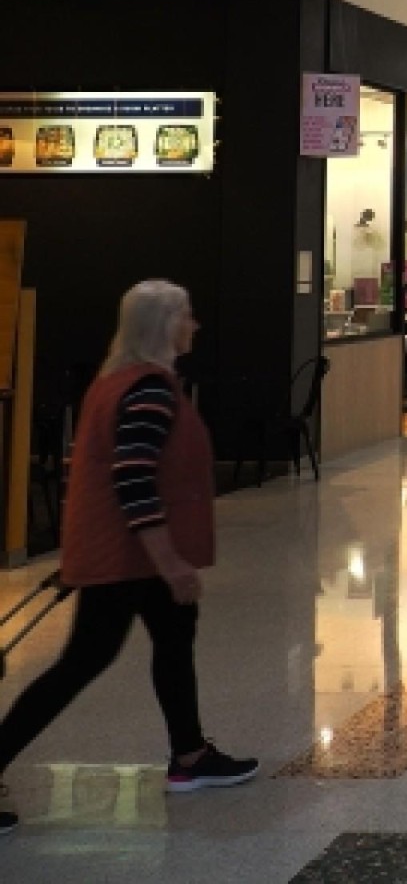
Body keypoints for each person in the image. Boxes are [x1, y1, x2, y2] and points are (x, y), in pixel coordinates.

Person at [0, 282, 256, 838]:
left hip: (134, 553)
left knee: (174, 637)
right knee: (83, 661)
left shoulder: (118, 382)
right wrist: (171, 562)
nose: (195, 325)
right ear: (164, 324)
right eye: (187, 316)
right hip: (130, 554)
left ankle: (189, 754)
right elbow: (133, 480)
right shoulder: (148, 391)